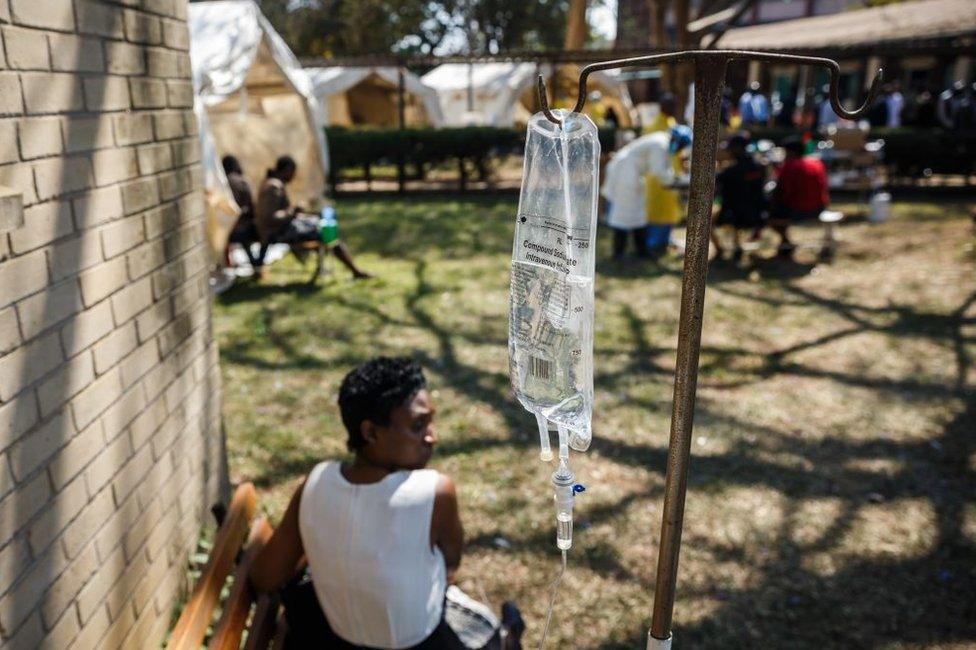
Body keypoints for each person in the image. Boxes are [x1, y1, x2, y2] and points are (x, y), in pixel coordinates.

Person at [250, 358, 524, 649]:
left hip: (331, 639)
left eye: (430, 422)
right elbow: (450, 566)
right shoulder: (435, 492)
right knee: (486, 628)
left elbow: (266, 576)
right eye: (418, 426)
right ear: (370, 433)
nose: (432, 436)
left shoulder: (315, 484)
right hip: (420, 643)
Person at [256, 155, 373, 280]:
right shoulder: (274, 186)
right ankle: (354, 270)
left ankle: (343, 268)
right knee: (327, 232)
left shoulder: (271, 183)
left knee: (324, 227)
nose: (293, 176)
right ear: (287, 170)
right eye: (292, 172)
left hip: (277, 230)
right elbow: (270, 217)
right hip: (276, 232)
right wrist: (293, 211)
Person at [711, 132, 766, 261]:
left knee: (705, 222)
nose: (729, 150)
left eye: (731, 147)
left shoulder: (732, 170)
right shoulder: (758, 166)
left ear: (738, 148)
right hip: (757, 212)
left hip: (735, 214)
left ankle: (720, 250)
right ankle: (737, 247)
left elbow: (716, 183)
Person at [769, 137, 828, 256]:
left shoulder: (790, 166)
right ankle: (785, 244)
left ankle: (785, 242)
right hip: (820, 207)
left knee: (768, 215)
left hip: (800, 210)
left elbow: (782, 192)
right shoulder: (816, 162)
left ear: (791, 152)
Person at [222, 155, 266, 273]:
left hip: (229, 228)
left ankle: (230, 267)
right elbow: (252, 206)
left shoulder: (223, 182)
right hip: (243, 228)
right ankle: (256, 266)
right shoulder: (243, 181)